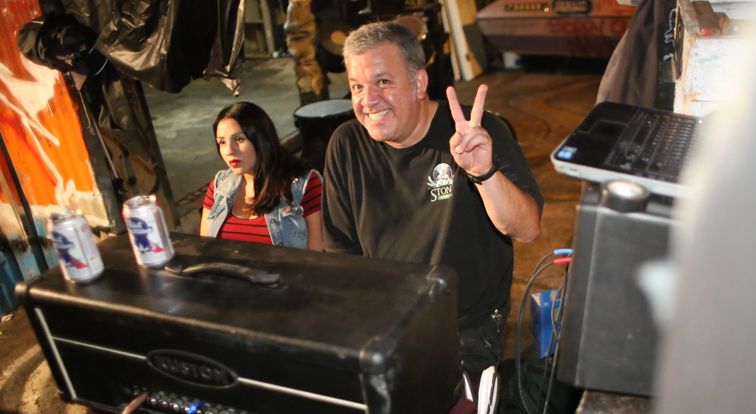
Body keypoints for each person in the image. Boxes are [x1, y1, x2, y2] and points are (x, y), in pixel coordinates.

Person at [323, 21, 543, 381]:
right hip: (386, 320)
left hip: (464, 326)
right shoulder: (346, 144)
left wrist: (484, 172)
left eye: (383, 82)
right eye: (357, 86)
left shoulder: (476, 133)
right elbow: (342, 254)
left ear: (419, 83)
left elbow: (527, 228)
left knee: (442, 411)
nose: (368, 100)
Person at [200, 102, 323, 249]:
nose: (229, 150)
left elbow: (316, 255)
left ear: (261, 140)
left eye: (239, 139)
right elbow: (205, 248)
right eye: (222, 142)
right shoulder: (219, 186)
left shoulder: (303, 185)